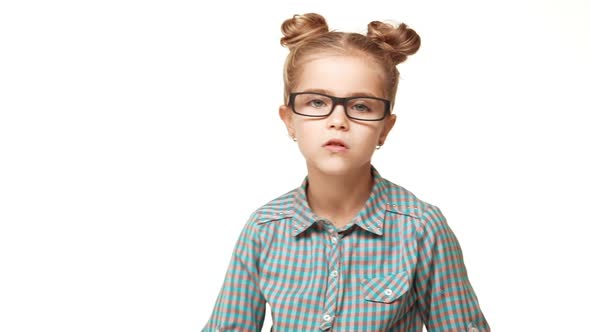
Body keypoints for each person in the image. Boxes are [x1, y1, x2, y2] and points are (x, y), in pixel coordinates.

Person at [202, 13, 489, 331]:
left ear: (385, 129)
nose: (338, 120)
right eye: (316, 102)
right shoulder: (264, 228)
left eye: (362, 106)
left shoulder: (421, 229)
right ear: (289, 120)